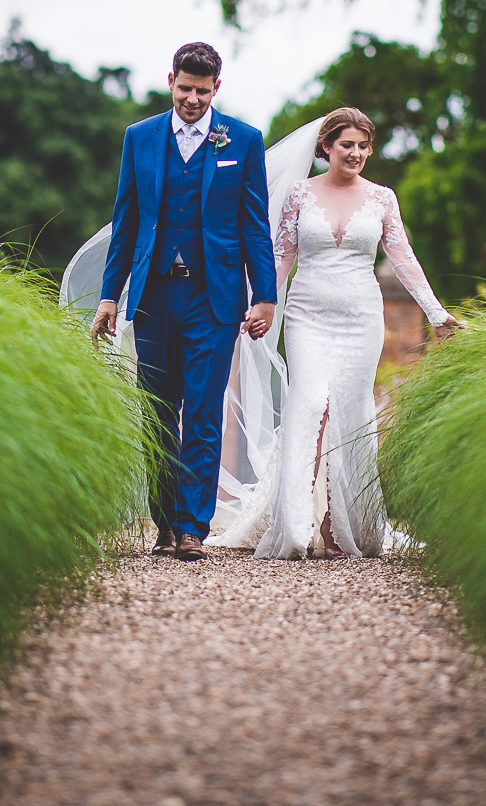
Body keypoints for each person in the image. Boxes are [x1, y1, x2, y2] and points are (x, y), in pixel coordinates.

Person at [215, 107, 460, 559]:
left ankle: (341, 525)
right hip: (307, 314)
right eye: (348, 144)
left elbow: (403, 259)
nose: (357, 153)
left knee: (352, 412)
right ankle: (295, 526)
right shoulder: (299, 194)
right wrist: (259, 302)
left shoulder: (382, 198)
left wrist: (437, 312)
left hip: (361, 319)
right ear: (326, 147)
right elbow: (281, 257)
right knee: (310, 404)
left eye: (364, 145)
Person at [91, 42, 276, 563]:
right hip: (153, 294)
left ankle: (194, 526)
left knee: (201, 409)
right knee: (156, 410)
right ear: (170, 80)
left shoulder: (243, 139)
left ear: (217, 87)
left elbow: (254, 225)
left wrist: (264, 297)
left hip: (212, 297)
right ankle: (165, 523)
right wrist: (110, 295)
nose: (192, 99)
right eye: (184, 89)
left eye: (201, 91)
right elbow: (126, 221)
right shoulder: (140, 137)